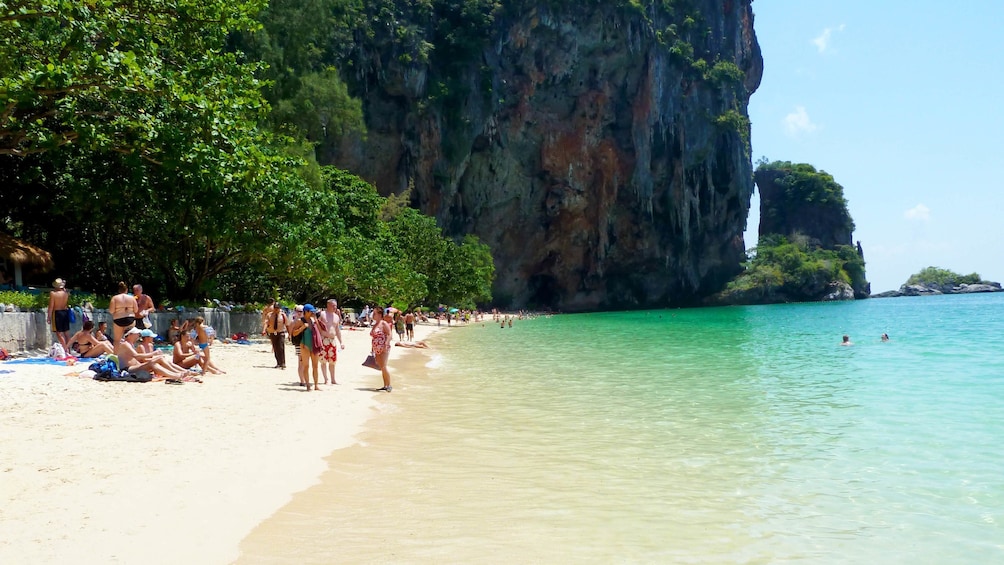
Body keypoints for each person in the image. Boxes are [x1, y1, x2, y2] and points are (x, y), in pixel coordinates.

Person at [115, 327, 189, 380]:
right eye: (136, 334)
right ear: (130, 334)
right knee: (152, 363)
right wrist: (154, 353)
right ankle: (175, 375)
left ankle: (178, 373)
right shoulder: (125, 344)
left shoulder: (130, 344)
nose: (138, 335)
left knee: (158, 360)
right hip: (128, 369)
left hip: (135, 366)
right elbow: (137, 356)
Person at [291, 304, 324, 391]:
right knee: (306, 366)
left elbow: (320, 331)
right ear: (306, 312)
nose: (313, 313)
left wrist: (316, 320)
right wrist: (302, 328)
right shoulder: (300, 321)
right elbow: (294, 333)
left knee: (315, 366)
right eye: (311, 311)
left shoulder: (314, 320)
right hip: (304, 345)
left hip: (314, 345)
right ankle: (308, 384)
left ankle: (316, 385)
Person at [319, 299, 344, 385]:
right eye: (333, 306)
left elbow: (337, 330)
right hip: (324, 339)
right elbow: (317, 326)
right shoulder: (322, 314)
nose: (335, 307)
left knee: (332, 361)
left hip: (333, 341)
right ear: (328, 305)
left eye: (336, 306)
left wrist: (341, 342)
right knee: (323, 360)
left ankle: (333, 379)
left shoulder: (336, 316)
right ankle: (326, 379)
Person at [370, 308, 393, 392]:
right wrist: (372, 349)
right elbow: (374, 337)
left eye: (374, 313)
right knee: (381, 367)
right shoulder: (375, 324)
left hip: (383, 347)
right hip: (376, 348)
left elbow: (390, 334)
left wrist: (386, 344)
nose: (373, 315)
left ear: (379, 315)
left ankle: (389, 385)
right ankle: (385, 385)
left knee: (384, 366)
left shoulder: (383, 323)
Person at [262, 299, 288, 369]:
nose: (276, 309)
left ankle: (283, 363)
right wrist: (264, 330)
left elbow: (287, 324)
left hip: (281, 333)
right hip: (273, 333)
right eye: (275, 308)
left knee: (281, 347)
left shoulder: (283, 315)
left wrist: (290, 334)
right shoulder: (269, 315)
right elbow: (266, 323)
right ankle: (278, 363)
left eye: (277, 308)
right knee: (276, 348)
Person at [47, 278, 71, 351]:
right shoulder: (66, 293)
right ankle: (69, 349)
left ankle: (65, 349)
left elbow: (51, 306)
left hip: (57, 313)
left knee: (59, 333)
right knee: (66, 333)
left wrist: (49, 317)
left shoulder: (53, 293)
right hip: (65, 312)